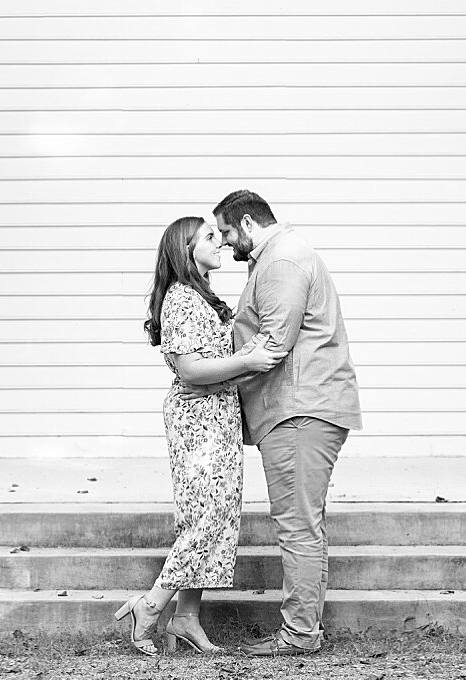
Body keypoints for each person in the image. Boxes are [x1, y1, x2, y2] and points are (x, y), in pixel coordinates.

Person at [114, 216, 286, 656]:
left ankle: (187, 618)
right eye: (210, 237)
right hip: (197, 420)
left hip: (218, 414)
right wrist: (249, 362)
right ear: (184, 250)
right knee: (205, 518)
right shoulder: (180, 300)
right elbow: (191, 369)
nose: (221, 242)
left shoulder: (202, 297)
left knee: (219, 517)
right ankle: (150, 607)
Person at [211, 190, 362, 656]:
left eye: (227, 231)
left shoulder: (281, 262)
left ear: (249, 223)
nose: (225, 242)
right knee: (305, 524)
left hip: (300, 410)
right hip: (303, 408)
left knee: (296, 526)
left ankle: (298, 635)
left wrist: (205, 376)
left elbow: (272, 347)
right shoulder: (278, 258)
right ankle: (304, 630)